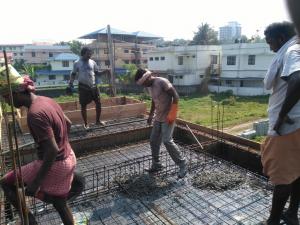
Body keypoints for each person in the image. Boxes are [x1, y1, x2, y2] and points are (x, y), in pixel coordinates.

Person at [0, 66, 84, 225]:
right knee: (60, 204)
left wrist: (36, 182)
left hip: (56, 163)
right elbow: (68, 123)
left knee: (5, 182)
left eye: (6, 97)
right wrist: (62, 143)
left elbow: (51, 150)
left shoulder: (34, 114)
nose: (7, 102)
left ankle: (30, 220)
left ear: (16, 93)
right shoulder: (47, 100)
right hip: (69, 157)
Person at [261, 21, 300, 225]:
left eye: (270, 42)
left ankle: (273, 221)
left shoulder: (292, 50)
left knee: (282, 177)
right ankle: (292, 214)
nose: (270, 47)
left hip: (289, 127)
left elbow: (298, 79)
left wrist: (281, 117)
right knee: (297, 171)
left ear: (281, 38)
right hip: (296, 126)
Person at [135, 68, 187, 178]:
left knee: (167, 141)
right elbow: (154, 100)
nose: (144, 86)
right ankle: (156, 164)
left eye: (145, 83)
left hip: (168, 116)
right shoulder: (149, 87)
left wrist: (173, 113)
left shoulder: (162, 82)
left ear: (148, 77)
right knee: (154, 140)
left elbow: (175, 96)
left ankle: (182, 164)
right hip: (158, 117)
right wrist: (150, 115)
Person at [69, 47, 108, 129]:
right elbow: (73, 74)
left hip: (93, 86)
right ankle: (86, 123)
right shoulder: (77, 63)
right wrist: (70, 83)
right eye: (88, 53)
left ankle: (98, 121)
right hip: (83, 87)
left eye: (90, 53)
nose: (90, 55)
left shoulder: (93, 62)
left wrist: (105, 71)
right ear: (83, 53)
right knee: (83, 106)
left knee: (98, 103)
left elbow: (97, 73)